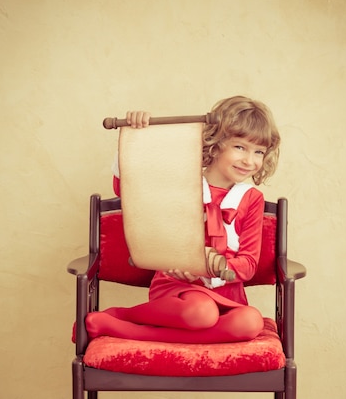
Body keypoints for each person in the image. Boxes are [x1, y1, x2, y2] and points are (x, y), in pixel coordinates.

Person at [85, 95, 280, 344]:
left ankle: (125, 327)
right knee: (201, 312)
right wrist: (135, 137)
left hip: (226, 296)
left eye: (259, 152)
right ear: (216, 142)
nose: (249, 161)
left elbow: (249, 263)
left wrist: (214, 268)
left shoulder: (252, 199)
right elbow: (128, 190)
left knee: (251, 322)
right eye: (239, 147)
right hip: (177, 290)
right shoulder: (180, 183)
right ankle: (125, 316)